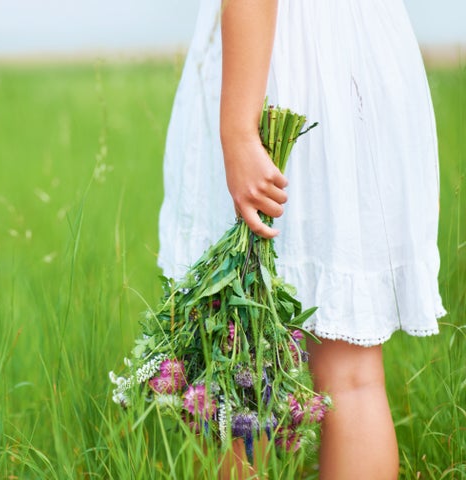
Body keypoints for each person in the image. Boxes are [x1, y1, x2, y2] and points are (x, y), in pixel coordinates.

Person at [157, 0, 446, 478]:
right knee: (352, 376)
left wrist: (237, 130)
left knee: (237, 364)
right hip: (358, 62)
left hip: (278, 74)